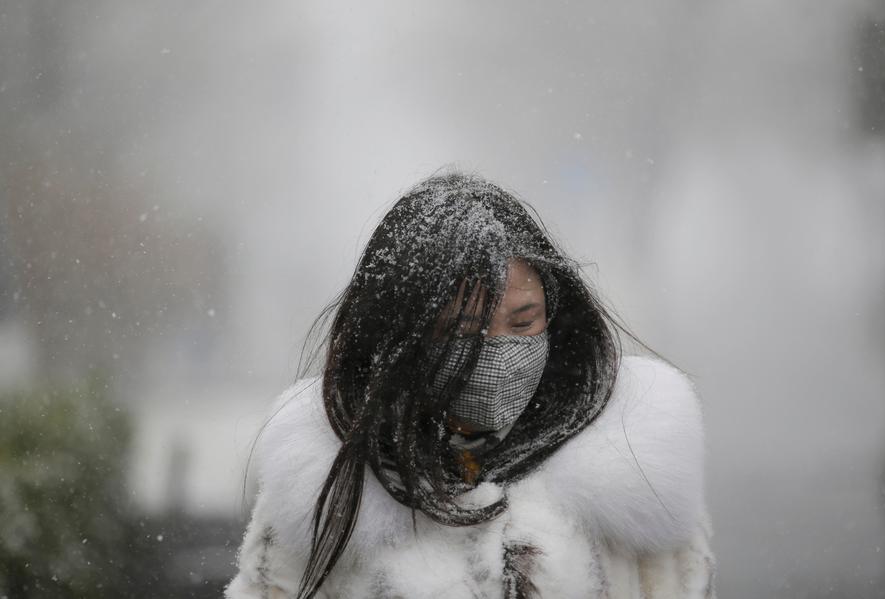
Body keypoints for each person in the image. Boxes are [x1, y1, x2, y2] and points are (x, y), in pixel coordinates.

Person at [224, 172, 716, 598]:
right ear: (405, 337)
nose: (499, 353)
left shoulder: (635, 480)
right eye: (463, 331)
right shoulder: (327, 500)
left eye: (523, 324)